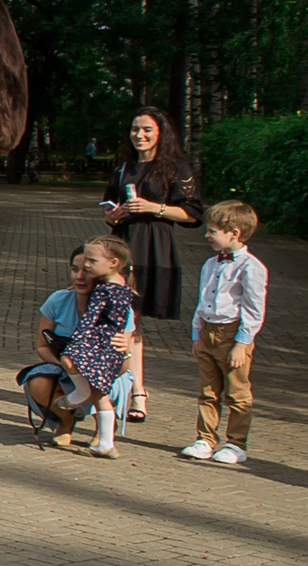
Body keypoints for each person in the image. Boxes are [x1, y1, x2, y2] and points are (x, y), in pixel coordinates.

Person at [99, 106, 203, 423]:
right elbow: (107, 209)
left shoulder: (175, 167)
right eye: (135, 129)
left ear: (161, 132)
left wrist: (154, 207)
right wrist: (113, 215)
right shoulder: (124, 168)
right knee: (125, 320)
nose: (139, 135)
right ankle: (127, 388)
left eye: (146, 129)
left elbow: (193, 214)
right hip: (123, 245)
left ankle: (135, 390)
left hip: (155, 247)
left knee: (133, 321)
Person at [183, 199, 268, 467]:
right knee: (208, 390)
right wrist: (197, 334)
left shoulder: (251, 267)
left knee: (237, 391)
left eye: (212, 231)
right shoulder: (210, 263)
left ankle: (236, 442)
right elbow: (202, 300)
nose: (207, 235)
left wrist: (242, 343)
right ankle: (205, 438)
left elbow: (254, 309)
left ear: (234, 233)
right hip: (208, 330)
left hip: (232, 333)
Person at [59, 234, 138, 460]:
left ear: (113, 263)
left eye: (92, 262)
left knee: (68, 358)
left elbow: (91, 317)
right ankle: (105, 443)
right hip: (106, 344)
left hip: (99, 342)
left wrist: (80, 338)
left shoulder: (105, 291)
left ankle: (80, 392)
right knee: (100, 395)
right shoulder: (121, 288)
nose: (87, 266)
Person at [17, 246, 99, 446]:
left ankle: (104, 427)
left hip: (102, 370)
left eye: (86, 271)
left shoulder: (115, 306)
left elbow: (125, 356)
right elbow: (43, 346)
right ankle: (65, 419)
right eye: (74, 270)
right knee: (36, 380)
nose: (79, 277)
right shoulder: (58, 300)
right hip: (65, 366)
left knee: (102, 377)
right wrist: (66, 367)